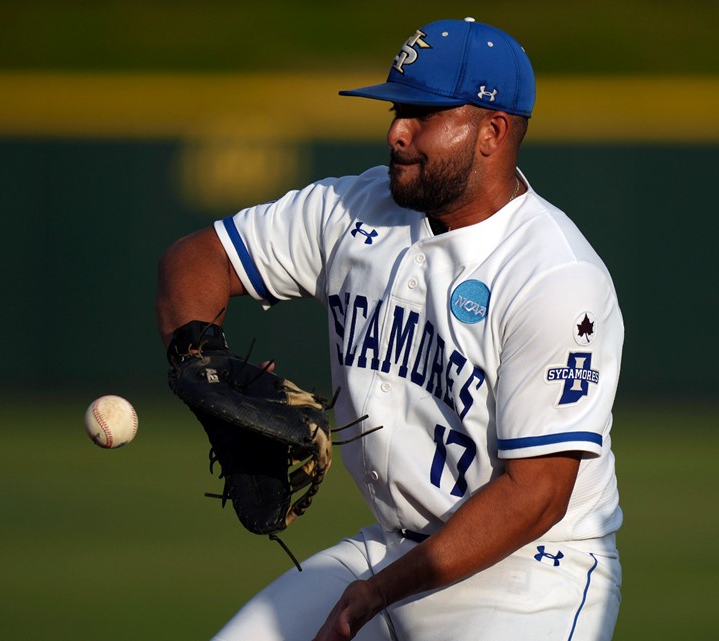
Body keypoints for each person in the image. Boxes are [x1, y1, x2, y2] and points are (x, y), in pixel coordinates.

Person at [156, 17, 624, 641]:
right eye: (399, 108)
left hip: (529, 577)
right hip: (392, 548)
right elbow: (196, 259)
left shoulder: (553, 275)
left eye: (423, 114)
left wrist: (375, 594)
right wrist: (199, 356)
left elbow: (535, 495)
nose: (396, 132)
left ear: (492, 131)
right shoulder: (353, 207)